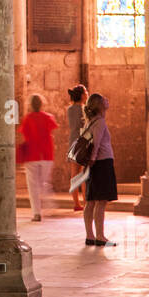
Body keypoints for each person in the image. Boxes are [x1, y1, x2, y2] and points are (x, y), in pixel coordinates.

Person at [78, 93, 118, 246]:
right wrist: (93, 160)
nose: (107, 101)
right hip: (101, 163)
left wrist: (88, 163)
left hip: (94, 164)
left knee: (91, 201)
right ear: (99, 105)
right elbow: (96, 144)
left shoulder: (90, 122)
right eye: (103, 100)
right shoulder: (100, 122)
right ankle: (100, 236)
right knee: (100, 201)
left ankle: (90, 235)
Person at [17, 94, 59, 222]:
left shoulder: (28, 119)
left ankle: (36, 213)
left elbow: (24, 134)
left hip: (31, 155)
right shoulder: (48, 117)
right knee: (44, 182)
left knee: (33, 186)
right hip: (46, 154)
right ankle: (49, 204)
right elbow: (52, 130)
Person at [65, 84, 89, 212]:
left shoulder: (69, 109)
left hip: (72, 141)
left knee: (74, 174)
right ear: (81, 95)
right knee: (84, 173)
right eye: (85, 91)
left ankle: (76, 203)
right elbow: (85, 128)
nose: (87, 93)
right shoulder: (84, 110)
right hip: (82, 142)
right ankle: (85, 202)